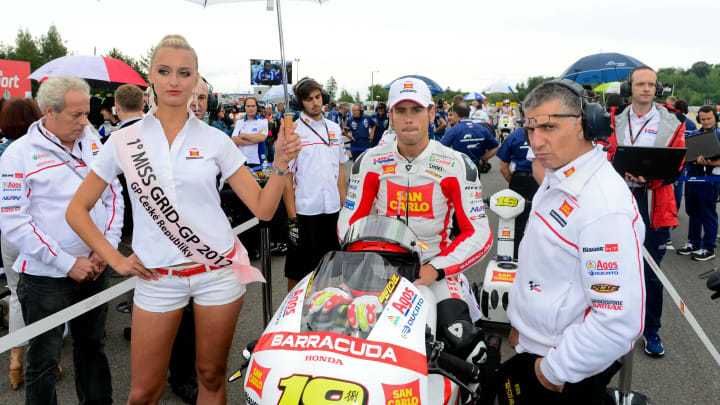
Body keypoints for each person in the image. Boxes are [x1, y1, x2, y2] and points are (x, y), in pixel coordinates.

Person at [65, 35, 300, 404]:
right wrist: (116, 260)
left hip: (217, 276)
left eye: (184, 73)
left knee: (210, 377)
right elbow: (76, 210)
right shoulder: (125, 141)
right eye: (165, 71)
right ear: (151, 78)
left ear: (195, 81)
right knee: (143, 392)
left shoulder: (215, 140)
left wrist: (281, 166)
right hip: (157, 280)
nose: (174, 80)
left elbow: (264, 210)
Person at [503, 79, 644, 404]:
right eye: (530, 128)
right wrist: (520, 325)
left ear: (585, 124)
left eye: (549, 127)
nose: (536, 141)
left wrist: (551, 372)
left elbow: (617, 322)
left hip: (564, 370)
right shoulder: (559, 175)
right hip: (536, 347)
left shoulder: (602, 204)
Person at [338, 77, 494, 367]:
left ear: (432, 114)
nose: (408, 119)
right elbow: (349, 221)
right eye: (401, 111)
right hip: (380, 267)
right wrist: (366, 260)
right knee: (345, 338)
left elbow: (480, 233)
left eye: (416, 110)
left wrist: (436, 268)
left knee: (463, 347)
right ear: (391, 117)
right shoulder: (369, 162)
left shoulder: (457, 164)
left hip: (436, 270)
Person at [0, 77, 124, 404]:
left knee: (92, 347)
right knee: (43, 358)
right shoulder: (18, 155)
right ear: (49, 112)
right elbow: (14, 220)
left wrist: (104, 249)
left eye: (87, 113)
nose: (85, 122)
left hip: (96, 269)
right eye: (76, 115)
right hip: (45, 276)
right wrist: (67, 263)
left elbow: (114, 196)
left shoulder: (94, 142)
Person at [607, 65, 685, 358]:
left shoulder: (672, 121)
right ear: (630, 88)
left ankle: (651, 330)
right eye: (640, 84)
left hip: (655, 203)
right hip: (619, 200)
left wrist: (650, 178)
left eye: (651, 84)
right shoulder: (614, 118)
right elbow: (605, 153)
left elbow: (678, 165)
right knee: (614, 266)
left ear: (658, 88)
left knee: (651, 273)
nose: (646, 89)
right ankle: (614, 326)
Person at [282, 77, 347, 290]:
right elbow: (287, 177)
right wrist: (292, 219)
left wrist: (344, 205)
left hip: (332, 212)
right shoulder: (293, 131)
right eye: (309, 99)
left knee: (334, 271)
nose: (315, 102)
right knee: (298, 272)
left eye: (318, 97)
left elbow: (338, 168)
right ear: (301, 102)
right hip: (305, 213)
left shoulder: (335, 129)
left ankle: (329, 312)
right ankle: (292, 317)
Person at [0, 98, 43, 390]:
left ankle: (16, 358)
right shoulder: (40, 149)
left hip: (7, 229)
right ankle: (41, 363)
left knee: (16, 293)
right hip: (36, 229)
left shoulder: (4, 150)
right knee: (46, 296)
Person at [677, 105, 720, 261]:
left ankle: (708, 248)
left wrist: (708, 163)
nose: (706, 122)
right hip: (692, 177)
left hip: (709, 179)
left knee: (708, 213)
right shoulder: (694, 135)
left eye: (709, 118)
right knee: (692, 211)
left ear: (716, 118)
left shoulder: (719, 135)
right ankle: (694, 242)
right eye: (703, 119)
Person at [496, 125, 538, 257]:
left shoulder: (513, 136)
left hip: (518, 180)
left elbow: (503, 167)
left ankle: (514, 255)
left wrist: (514, 182)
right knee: (540, 219)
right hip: (540, 181)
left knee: (517, 222)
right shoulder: (547, 132)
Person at [440, 103, 500, 172]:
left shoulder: (453, 130)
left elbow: (440, 149)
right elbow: (497, 147)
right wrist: (482, 159)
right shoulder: (482, 129)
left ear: (456, 114)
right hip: (475, 169)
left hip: (458, 169)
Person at [231, 97, 268, 166]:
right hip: (242, 160)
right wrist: (255, 139)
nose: (251, 108)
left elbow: (262, 138)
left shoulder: (263, 121)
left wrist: (243, 135)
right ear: (244, 107)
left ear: (257, 107)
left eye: (253, 106)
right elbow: (234, 139)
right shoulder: (239, 122)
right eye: (248, 106)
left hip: (258, 160)